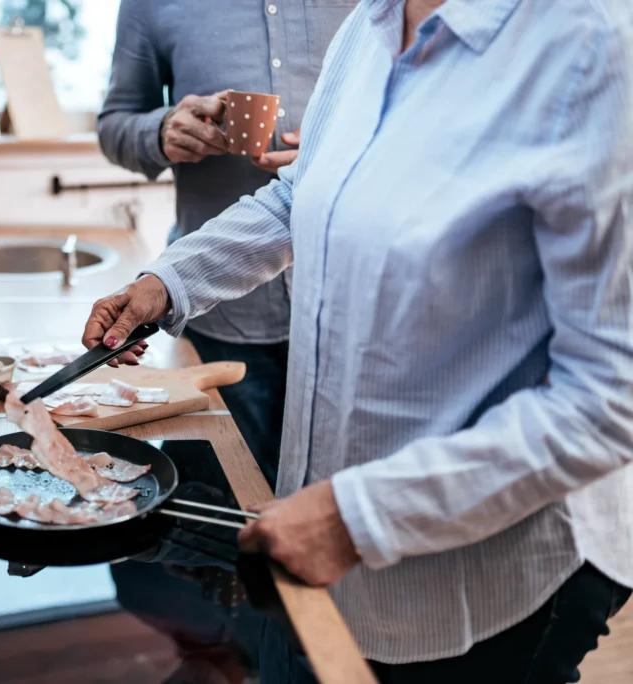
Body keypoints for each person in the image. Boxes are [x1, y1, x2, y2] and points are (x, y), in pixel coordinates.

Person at [83, 0, 633, 682]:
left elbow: (609, 401)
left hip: (496, 584)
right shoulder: (368, 28)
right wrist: (168, 281)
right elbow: (302, 194)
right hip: (336, 572)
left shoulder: (593, 45)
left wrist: (355, 515)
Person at [97, 0, 354, 487]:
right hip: (216, 317)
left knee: (322, 518)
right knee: (212, 517)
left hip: (346, 309)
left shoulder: (382, 11)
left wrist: (335, 156)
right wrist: (161, 130)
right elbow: (114, 125)